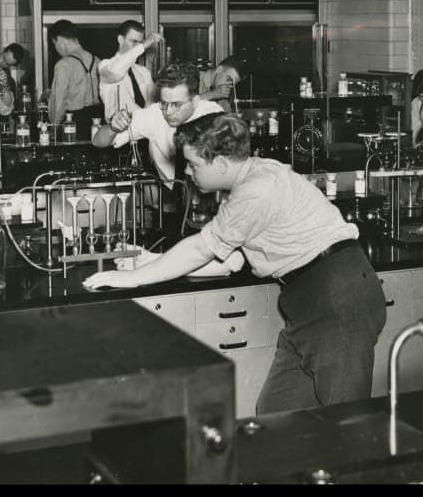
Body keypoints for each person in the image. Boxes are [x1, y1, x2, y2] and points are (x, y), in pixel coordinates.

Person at [84, 113, 387, 414]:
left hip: (335, 297)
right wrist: (151, 261)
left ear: (221, 164)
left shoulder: (256, 190)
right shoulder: (254, 178)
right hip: (313, 296)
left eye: (193, 164)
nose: (188, 172)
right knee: (276, 412)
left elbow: (201, 248)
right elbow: (228, 259)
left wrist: (135, 277)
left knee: (346, 418)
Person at [91, 61, 224, 187]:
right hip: (171, 194)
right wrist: (113, 128)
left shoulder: (214, 114)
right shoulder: (154, 114)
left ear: (195, 101)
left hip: (210, 193)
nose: (169, 112)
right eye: (164, 103)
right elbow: (98, 141)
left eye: (177, 105)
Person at [47, 19, 104, 138]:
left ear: (60, 40)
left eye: (55, 44)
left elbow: (59, 102)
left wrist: (54, 128)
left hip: (73, 123)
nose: (57, 49)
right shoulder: (97, 60)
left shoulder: (64, 64)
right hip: (98, 121)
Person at [98, 20, 162, 124]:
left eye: (140, 42)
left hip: (143, 132)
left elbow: (152, 103)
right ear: (120, 40)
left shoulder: (143, 72)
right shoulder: (105, 66)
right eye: (133, 41)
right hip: (119, 133)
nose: (137, 46)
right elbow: (116, 72)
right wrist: (142, 46)